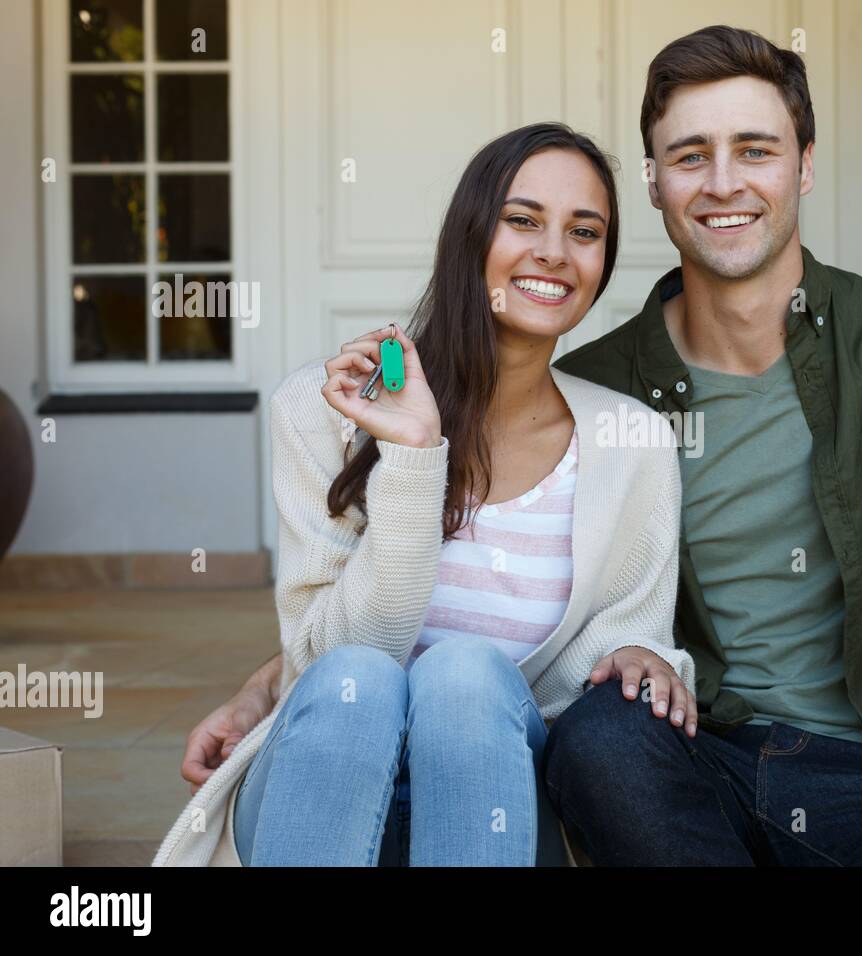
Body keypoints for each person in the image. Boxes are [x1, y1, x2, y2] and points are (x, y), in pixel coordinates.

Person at [173, 26, 862, 867]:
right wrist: (281, 685)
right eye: (688, 155)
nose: (723, 182)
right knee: (591, 738)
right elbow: (442, 603)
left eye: (753, 148)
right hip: (681, 744)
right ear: (658, 184)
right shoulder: (601, 385)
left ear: (802, 164)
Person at [152, 123, 696, 867]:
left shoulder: (632, 444)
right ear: (469, 233)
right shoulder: (323, 409)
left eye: (585, 231)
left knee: (467, 675)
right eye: (522, 219)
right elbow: (327, 657)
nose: (554, 252)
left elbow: (612, 660)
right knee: (355, 681)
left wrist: (648, 660)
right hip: (321, 793)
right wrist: (413, 459)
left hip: (492, 807)